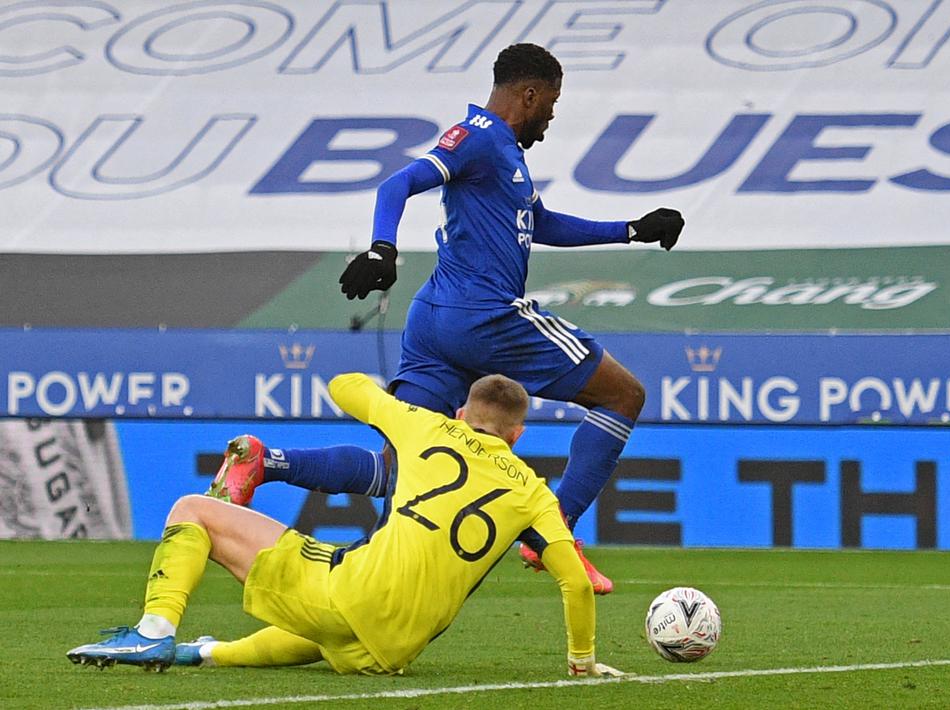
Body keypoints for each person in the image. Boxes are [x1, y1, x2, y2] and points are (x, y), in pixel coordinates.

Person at [205, 43, 684, 595]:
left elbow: (542, 222)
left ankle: (264, 461)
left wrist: (630, 230)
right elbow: (397, 184)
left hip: (434, 321)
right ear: (530, 95)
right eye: (551, 105)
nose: (551, 118)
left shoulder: (504, 153)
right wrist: (382, 249)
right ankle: (553, 534)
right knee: (623, 396)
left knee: (396, 471)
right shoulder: (479, 138)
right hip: (484, 316)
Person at [68, 373, 623, 678]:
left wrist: (396, 405)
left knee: (192, 509)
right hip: (392, 649)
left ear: (461, 415)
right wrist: (581, 661)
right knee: (322, 634)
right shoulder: (534, 491)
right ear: (518, 436)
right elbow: (575, 583)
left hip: (351, 592)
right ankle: (203, 652)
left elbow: (344, 385)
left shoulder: (427, 427)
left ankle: (153, 633)